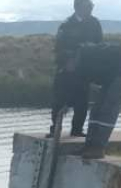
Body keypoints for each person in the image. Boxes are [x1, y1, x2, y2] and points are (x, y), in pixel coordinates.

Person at [68, 42, 121, 159]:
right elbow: (79, 90)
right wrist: (67, 103)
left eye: (67, 66)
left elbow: (82, 88)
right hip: (109, 75)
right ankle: (89, 145)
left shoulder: (87, 61)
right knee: (96, 109)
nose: (68, 70)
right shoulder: (80, 65)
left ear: (71, 60)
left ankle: (99, 148)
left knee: (108, 110)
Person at [49, 0, 103, 138]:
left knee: (82, 101)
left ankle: (77, 130)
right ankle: (55, 129)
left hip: (84, 70)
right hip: (66, 70)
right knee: (60, 101)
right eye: (88, 7)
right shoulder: (67, 25)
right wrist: (68, 60)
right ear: (77, 7)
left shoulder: (94, 23)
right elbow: (58, 48)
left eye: (92, 7)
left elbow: (99, 45)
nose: (91, 9)